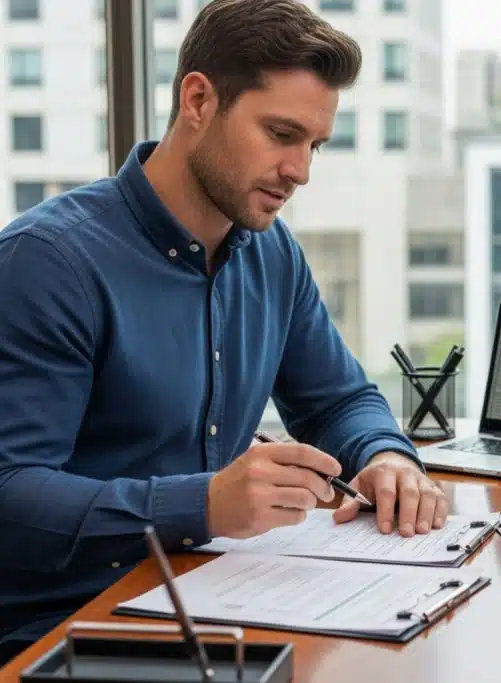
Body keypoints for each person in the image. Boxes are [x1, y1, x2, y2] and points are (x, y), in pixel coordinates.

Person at [0, 0, 449, 664]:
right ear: (199, 100)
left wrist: (385, 456)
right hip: (62, 631)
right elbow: (10, 491)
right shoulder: (49, 263)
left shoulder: (272, 254)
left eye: (314, 145)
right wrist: (203, 503)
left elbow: (337, 400)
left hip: (218, 601)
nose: (300, 170)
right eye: (280, 134)